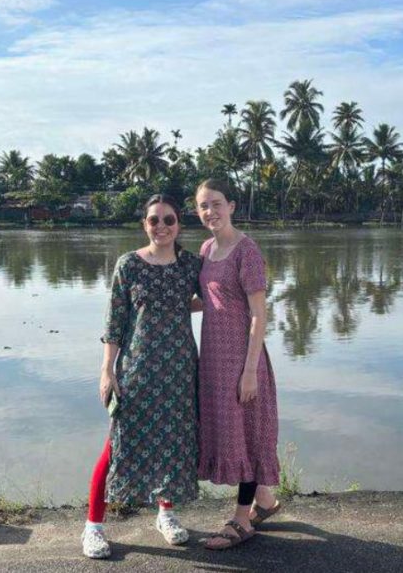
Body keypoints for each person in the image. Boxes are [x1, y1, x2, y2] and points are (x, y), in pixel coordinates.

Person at [81, 194, 202, 559]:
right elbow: (114, 323)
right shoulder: (129, 265)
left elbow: (208, 298)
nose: (162, 226)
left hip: (180, 371)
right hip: (137, 370)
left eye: (169, 220)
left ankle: (165, 514)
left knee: (172, 442)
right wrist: (106, 371)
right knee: (117, 446)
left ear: (179, 224)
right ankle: (93, 527)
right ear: (144, 224)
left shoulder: (191, 265)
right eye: (154, 220)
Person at [194, 178, 282, 550]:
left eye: (216, 204)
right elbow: (208, 300)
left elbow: (259, 315)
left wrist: (249, 372)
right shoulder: (207, 248)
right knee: (232, 432)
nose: (209, 212)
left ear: (231, 205)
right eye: (202, 206)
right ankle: (264, 501)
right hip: (213, 357)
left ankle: (242, 521)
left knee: (247, 434)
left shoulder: (247, 251)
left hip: (243, 359)